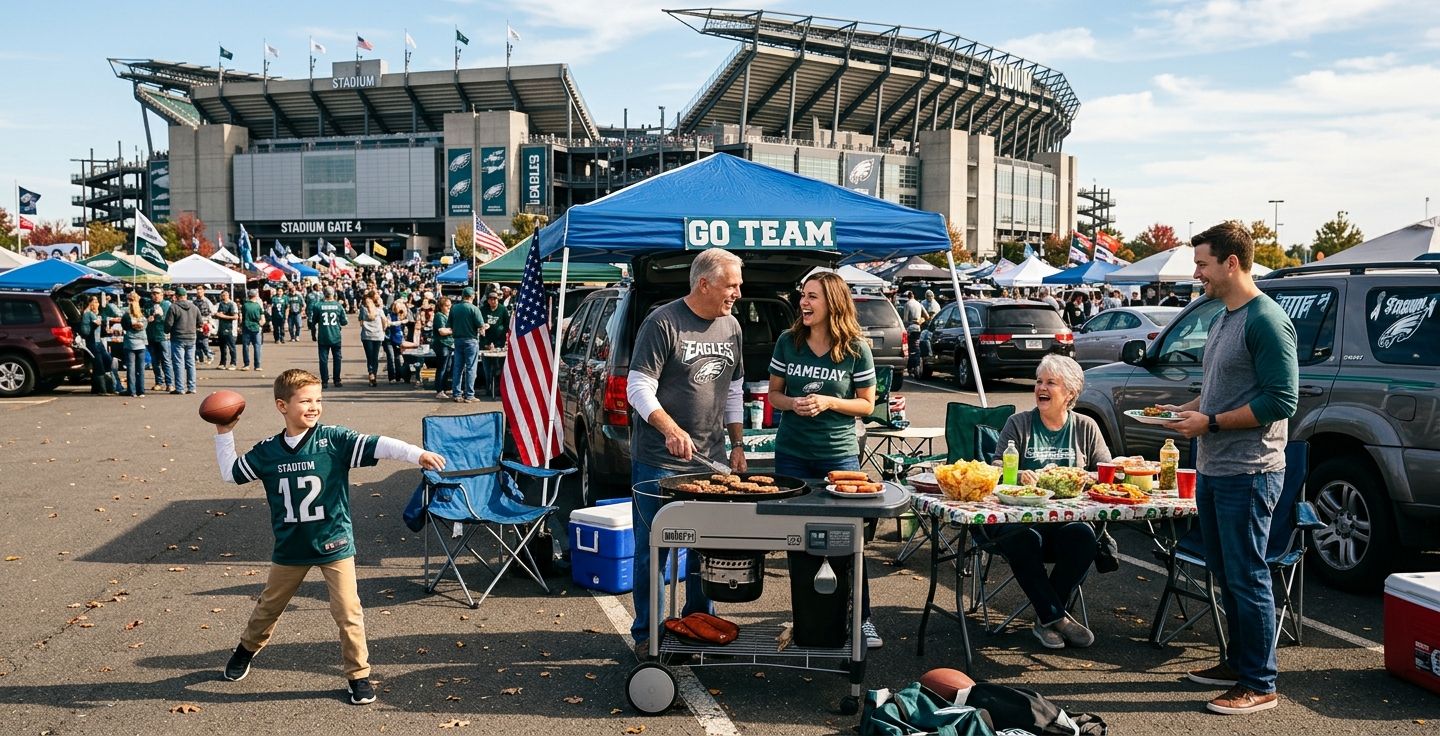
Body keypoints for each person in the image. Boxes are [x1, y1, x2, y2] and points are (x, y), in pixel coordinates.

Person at [212, 368, 446, 706]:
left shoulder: (333, 440)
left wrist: (416, 454)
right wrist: (224, 431)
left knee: (349, 611)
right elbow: (230, 474)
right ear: (282, 405)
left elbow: (378, 445)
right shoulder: (268, 451)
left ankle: (358, 674)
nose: (314, 406)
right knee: (267, 609)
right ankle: (245, 650)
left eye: (318, 400)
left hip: (334, 542)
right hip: (291, 547)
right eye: (305, 400)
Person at [1165, 222, 1299, 715]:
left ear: (1231, 263)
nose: (1196, 272)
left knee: (1247, 575)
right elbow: (1223, 387)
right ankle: (1238, 662)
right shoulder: (1223, 317)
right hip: (1215, 466)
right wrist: (1191, 411)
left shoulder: (1266, 319)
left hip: (1250, 470)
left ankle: (1260, 683)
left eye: (1202, 263)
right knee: (1225, 570)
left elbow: (1281, 400)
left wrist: (1212, 423)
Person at [625, 248, 747, 660]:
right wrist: (671, 429)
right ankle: (648, 634)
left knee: (703, 546)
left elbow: (733, 389)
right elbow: (637, 388)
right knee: (652, 550)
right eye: (732, 285)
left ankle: (697, 623)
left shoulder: (731, 326)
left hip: (708, 458)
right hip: (657, 460)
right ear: (704, 284)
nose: (738, 293)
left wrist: (737, 444)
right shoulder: (663, 322)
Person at [767, 271, 885, 648]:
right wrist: (793, 404)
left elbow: (867, 405)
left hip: (839, 457)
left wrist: (830, 402)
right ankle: (808, 619)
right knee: (798, 542)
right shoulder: (788, 342)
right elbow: (773, 397)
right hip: (792, 456)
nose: (804, 302)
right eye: (803, 295)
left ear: (832, 302)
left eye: (812, 296)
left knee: (849, 542)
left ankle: (861, 619)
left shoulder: (855, 348)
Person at [991, 354, 1111, 650]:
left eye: (1050, 383)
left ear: (1070, 393)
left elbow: (1106, 472)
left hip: (1067, 521)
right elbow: (995, 467)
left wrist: (1082, 477)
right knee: (1022, 538)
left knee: (1083, 536)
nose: (1041, 388)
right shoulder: (1018, 423)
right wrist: (1018, 475)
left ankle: (1047, 618)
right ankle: (1056, 616)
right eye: (1039, 381)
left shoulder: (1086, 426)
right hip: (1020, 520)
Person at [447, 287, 482, 403]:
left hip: (457, 340)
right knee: (471, 368)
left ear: (463, 296)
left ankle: (456, 394)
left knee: (457, 368)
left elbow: (450, 325)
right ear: (472, 296)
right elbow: (481, 326)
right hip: (471, 340)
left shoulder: (454, 308)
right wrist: (485, 326)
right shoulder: (474, 309)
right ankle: (469, 395)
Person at [165, 287, 201, 394]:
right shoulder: (194, 307)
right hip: (191, 337)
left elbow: (168, 324)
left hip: (178, 337)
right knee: (190, 363)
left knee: (178, 363)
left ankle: (180, 388)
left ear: (176, 296)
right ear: (186, 296)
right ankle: (192, 387)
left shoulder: (173, 307)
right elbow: (200, 322)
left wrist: (167, 331)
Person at [314, 287, 348, 388]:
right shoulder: (338, 306)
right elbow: (344, 322)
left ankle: (324, 381)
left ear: (324, 294)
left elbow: (313, 321)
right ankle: (337, 380)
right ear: (333, 294)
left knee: (323, 360)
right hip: (336, 336)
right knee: (337, 358)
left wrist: (313, 333)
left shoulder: (318, 306)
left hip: (323, 336)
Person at [79, 296, 114, 395]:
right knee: (99, 365)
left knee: (108, 360)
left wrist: (107, 332)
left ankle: (95, 388)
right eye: (94, 301)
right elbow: (85, 332)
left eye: (97, 301)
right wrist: (94, 325)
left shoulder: (96, 314)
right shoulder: (87, 315)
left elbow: (100, 332)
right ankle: (102, 390)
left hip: (99, 343)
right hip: (92, 343)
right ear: (90, 303)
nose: (97, 304)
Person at [120, 293, 150, 397]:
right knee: (140, 368)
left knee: (131, 368)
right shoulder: (143, 317)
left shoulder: (126, 316)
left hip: (130, 343)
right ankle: (141, 390)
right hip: (141, 344)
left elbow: (124, 326)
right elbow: (145, 327)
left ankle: (132, 391)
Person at [145, 287, 172, 392]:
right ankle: (158, 382)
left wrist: (162, 316)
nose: (155, 296)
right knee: (155, 361)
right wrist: (148, 318)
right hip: (151, 336)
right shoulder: (148, 304)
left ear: (162, 294)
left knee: (166, 360)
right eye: (153, 294)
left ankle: (169, 383)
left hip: (163, 336)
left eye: (157, 293)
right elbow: (144, 316)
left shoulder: (167, 305)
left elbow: (171, 320)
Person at [358, 292, 388, 387]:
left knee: (369, 356)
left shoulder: (363, 310)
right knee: (375, 356)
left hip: (367, 335)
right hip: (378, 335)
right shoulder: (379, 310)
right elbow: (385, 322)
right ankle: (374, 374)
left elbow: (361, 322)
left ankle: (371, 373)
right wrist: (383, 330)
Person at [430, 296, 455, 399]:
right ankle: (439, 390)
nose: (449, 307)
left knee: (448, 367)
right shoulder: (439, 316)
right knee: (442, 367)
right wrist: (454, 330)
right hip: (441, 344)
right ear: (441, 306)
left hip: (449, 344)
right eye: (447, 306)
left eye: (450, 305)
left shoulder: (448, 315)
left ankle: (444, 389)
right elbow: (442, 331)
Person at [902, 290, 927, 375]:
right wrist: (920, 321)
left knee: (910, 349)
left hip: (910, 328)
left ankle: (910, 367)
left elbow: (905, 320)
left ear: (908, 297)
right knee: (916, 348)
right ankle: (916, 365)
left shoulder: (907, 304)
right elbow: (927, 316)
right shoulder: (919, 304)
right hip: (918, 328)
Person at [240, 289, 265, 371]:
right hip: (256, 328)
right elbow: (261, 318)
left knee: (245, 346)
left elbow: (241, 317)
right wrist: (261, 322)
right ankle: (257, 365)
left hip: (246, 327)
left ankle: (246, 364)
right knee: (257, 346)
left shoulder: (245, 305)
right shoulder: (257, 306)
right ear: (255, 296)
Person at [215, 291, 239, 370]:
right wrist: (218, 315)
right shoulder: (220, 304)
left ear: (228, 295)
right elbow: (217, 314)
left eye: (225, 295)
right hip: (221, 329)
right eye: (222, 295)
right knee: (222, 348)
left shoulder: (232, 304)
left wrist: (223, 316)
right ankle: (222, 363)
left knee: (231, 347)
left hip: (230, 329)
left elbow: (235, 316)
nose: (224, 296)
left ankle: (233, 363)